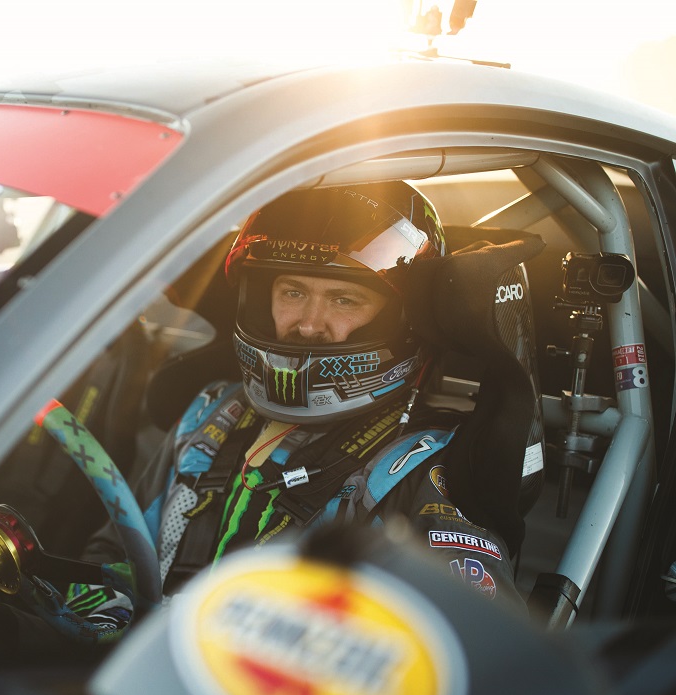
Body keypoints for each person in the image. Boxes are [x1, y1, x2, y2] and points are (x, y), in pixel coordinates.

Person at [74, 181, 526, 628]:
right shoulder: (210, 413)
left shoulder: (424, 468)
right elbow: (116, 551)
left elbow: (475, 660)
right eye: (293, 292)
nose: (309, 326)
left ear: (398, 318)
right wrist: (101, 612)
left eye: (343, 299)